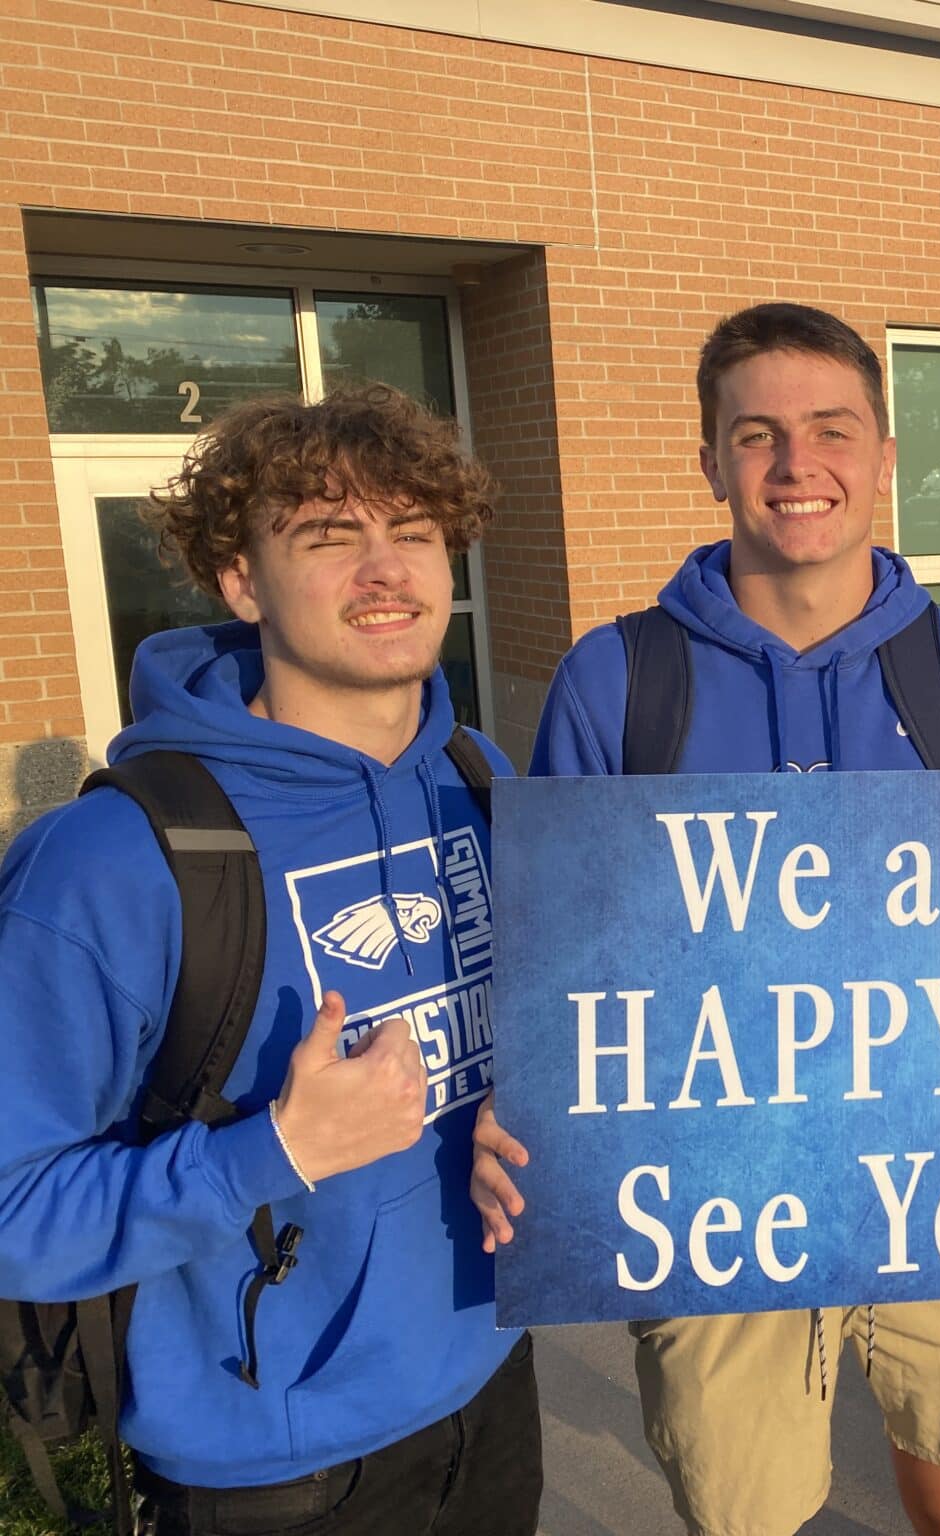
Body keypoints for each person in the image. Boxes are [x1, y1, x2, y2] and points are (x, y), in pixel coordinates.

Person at [470, 303, 940, 1536]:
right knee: (744, 1508)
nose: (795, 465)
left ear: (882, 454)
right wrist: (528, 1095)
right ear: (709, 457)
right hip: (716, 1185)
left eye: (830, 429)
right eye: (757, 433)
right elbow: (561, 957)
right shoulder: (618, 681)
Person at [0, 384, 538, 1534]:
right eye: (330, 538)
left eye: (414, 532)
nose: (385, 571)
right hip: (273, 1470)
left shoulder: (478, 778)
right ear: (240, 580)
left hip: (493, 1389)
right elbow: (13, 1210)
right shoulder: (111, 860)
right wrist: (273, 1151)